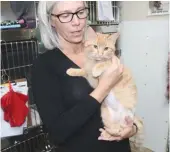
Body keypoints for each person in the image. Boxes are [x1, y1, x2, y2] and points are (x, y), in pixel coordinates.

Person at [31, 1, 138, 152]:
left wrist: (132, 128)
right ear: (51, 21)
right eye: (65, 15)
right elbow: (57, 133)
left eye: (80, 12)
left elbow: (125, 98)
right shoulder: (44, 65)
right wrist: (103, 88)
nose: (77, 22)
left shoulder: (102, 51)